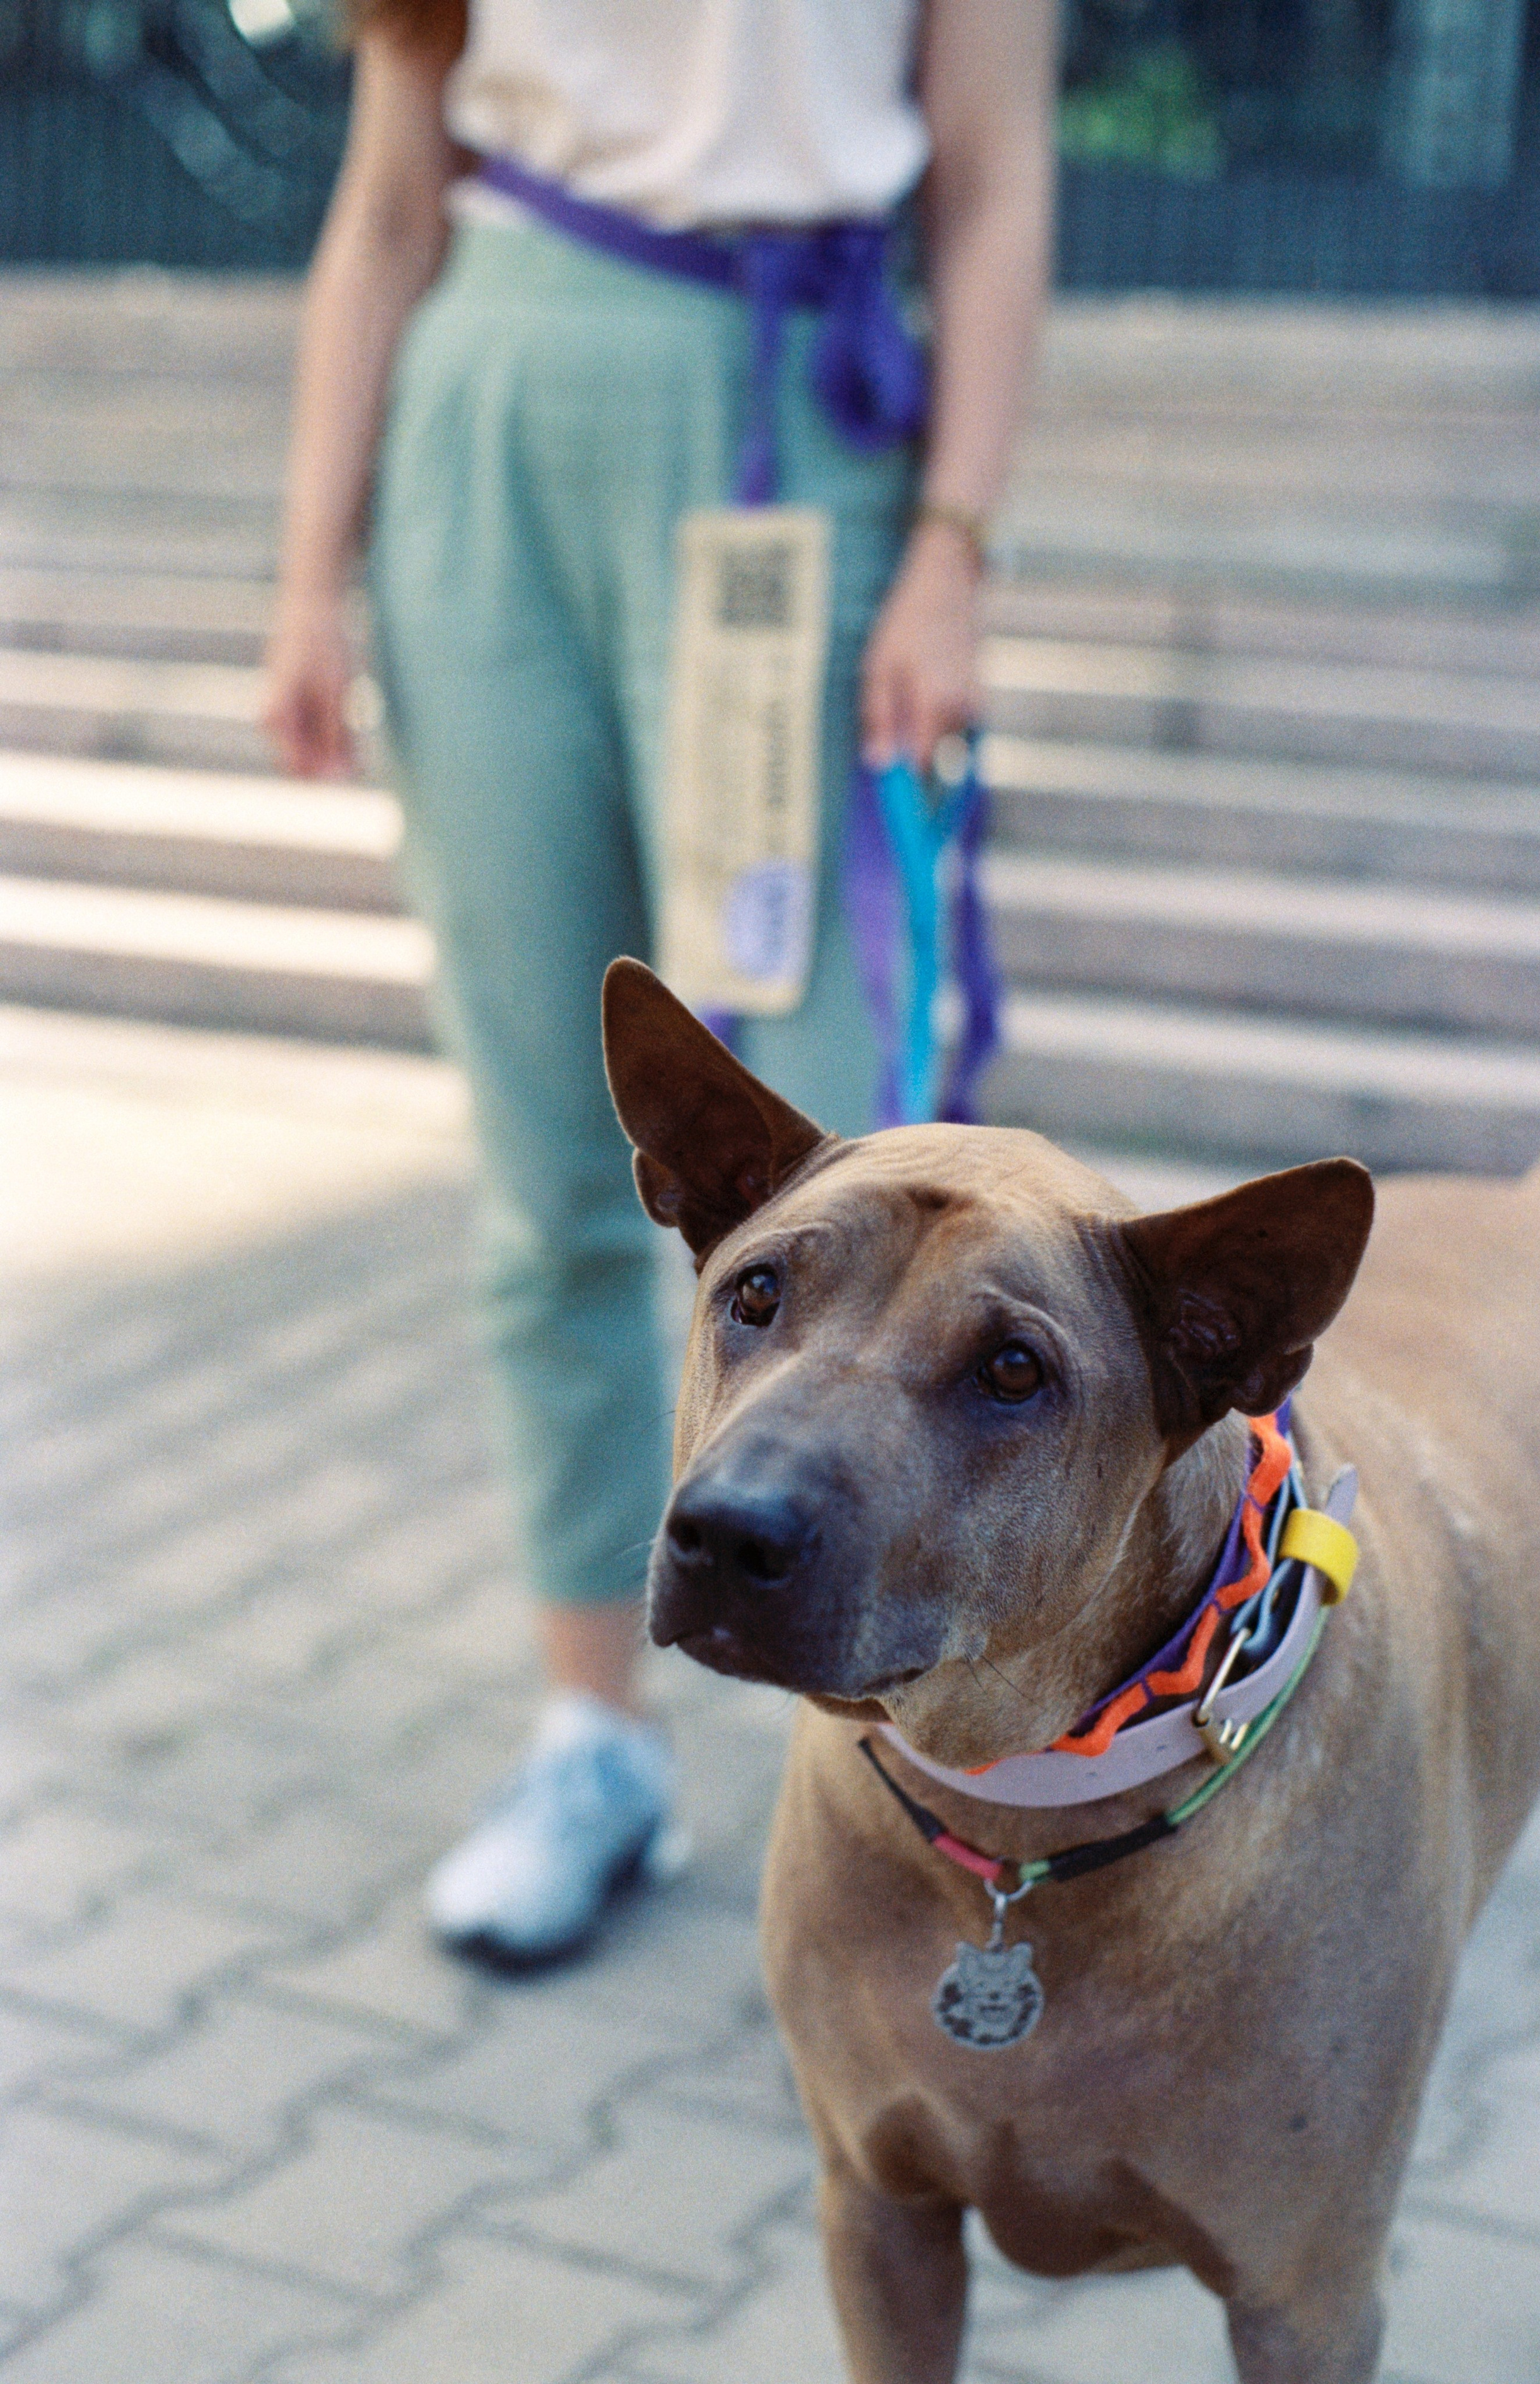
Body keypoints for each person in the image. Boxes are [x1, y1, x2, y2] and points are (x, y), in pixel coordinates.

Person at [263, 0, 1056, 1967]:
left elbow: (995, 176)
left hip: (789, 437)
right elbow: (383, 205)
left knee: (861, 1179)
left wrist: (954, 546)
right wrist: (305, 572)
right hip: (489, 420)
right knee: (550, 1156)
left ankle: (906, 1789)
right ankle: (589, 1737)